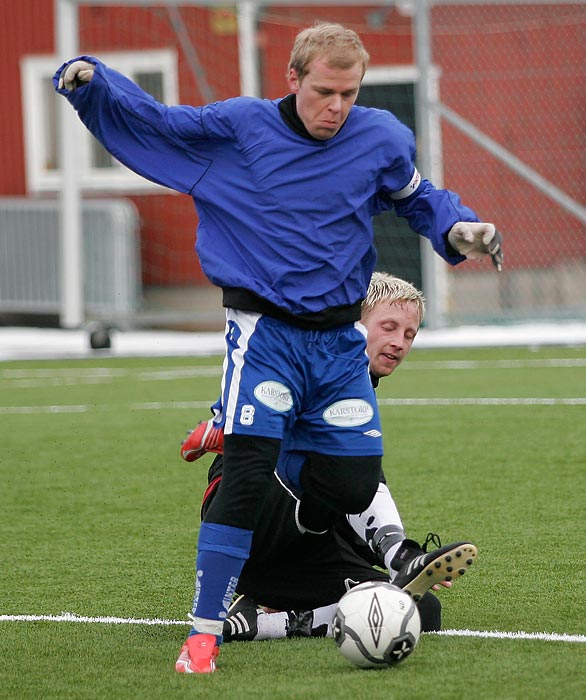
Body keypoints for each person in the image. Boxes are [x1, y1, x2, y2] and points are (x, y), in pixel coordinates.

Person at [55, 22, 502, 674]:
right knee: (246, 472)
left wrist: (458, 228)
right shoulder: (243, 126)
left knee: (352, 478)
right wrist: (95, 86)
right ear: (292, 79)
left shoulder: (378, 137)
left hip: (335, 343)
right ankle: (204, 632)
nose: (337, 107)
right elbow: (159, 124)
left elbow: (419, 199)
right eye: (325, 91)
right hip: (262, 334)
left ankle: (326, 577)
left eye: (349, 93)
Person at [184, 272, 477, 643]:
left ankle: (264, 621)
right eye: (388, 327)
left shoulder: (354, 386)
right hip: (252, 518)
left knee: (414, 609)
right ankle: (401, 555)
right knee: (344, 467)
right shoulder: (307, 361)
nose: (398, 342)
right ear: (353, 324)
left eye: (409, 334)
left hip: (300, 544)